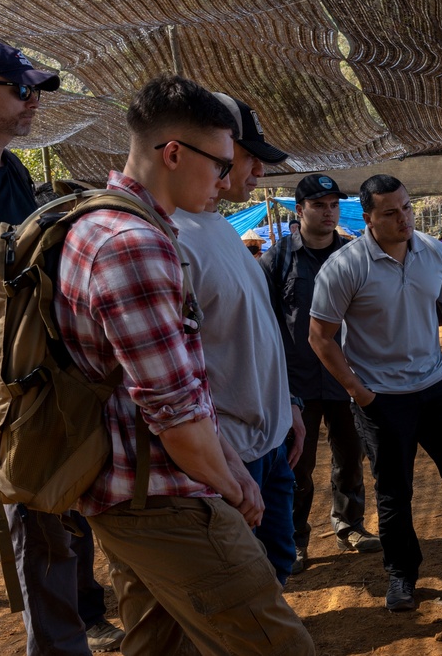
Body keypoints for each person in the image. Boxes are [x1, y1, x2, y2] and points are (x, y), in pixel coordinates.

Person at [53, 74, 313, 654]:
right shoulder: (132, 244)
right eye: (222, 165)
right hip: (165, 495)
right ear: (173, 153)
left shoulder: (111, 223)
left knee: (158, 644)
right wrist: (236, 484)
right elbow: (175, 414)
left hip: (140, 487)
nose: (227, 180)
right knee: (278, 644)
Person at [0, 41, 124, 655]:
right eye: (22, 90)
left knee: (49, 521)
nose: (34, 102)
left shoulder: (13, 174)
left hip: (23, 385)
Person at [309, 174, 442, 612]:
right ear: (368, 218)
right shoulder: (346, 266)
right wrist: (359, 393)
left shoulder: (432, 253)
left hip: (437, 389)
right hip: (381, 399)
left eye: (406, 207)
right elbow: (320, 337)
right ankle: (402, 574)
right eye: (390, 212)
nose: (403, 218)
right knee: (394, 491)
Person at [171, 92, 303, 587]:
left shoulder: (220, 227)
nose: (257, 172)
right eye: (248, 157)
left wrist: (287, 402)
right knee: (241, 591)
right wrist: (225, 461)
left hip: (269, 444)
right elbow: (173, 378)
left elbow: (257, 332)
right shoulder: (171, 240)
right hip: (232, 458)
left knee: (275, 573)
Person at [260, 173, 380, 576]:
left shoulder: (352, 254)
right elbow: (266, 322)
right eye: (318, 205)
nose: (328, 212)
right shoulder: (277, 260)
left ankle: (349, 525)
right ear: (300, 210)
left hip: (345, 377)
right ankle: (295, 538)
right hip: (297, 385)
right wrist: (277, 384)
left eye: (333, 205)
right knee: (297, 463)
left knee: (351, 456)